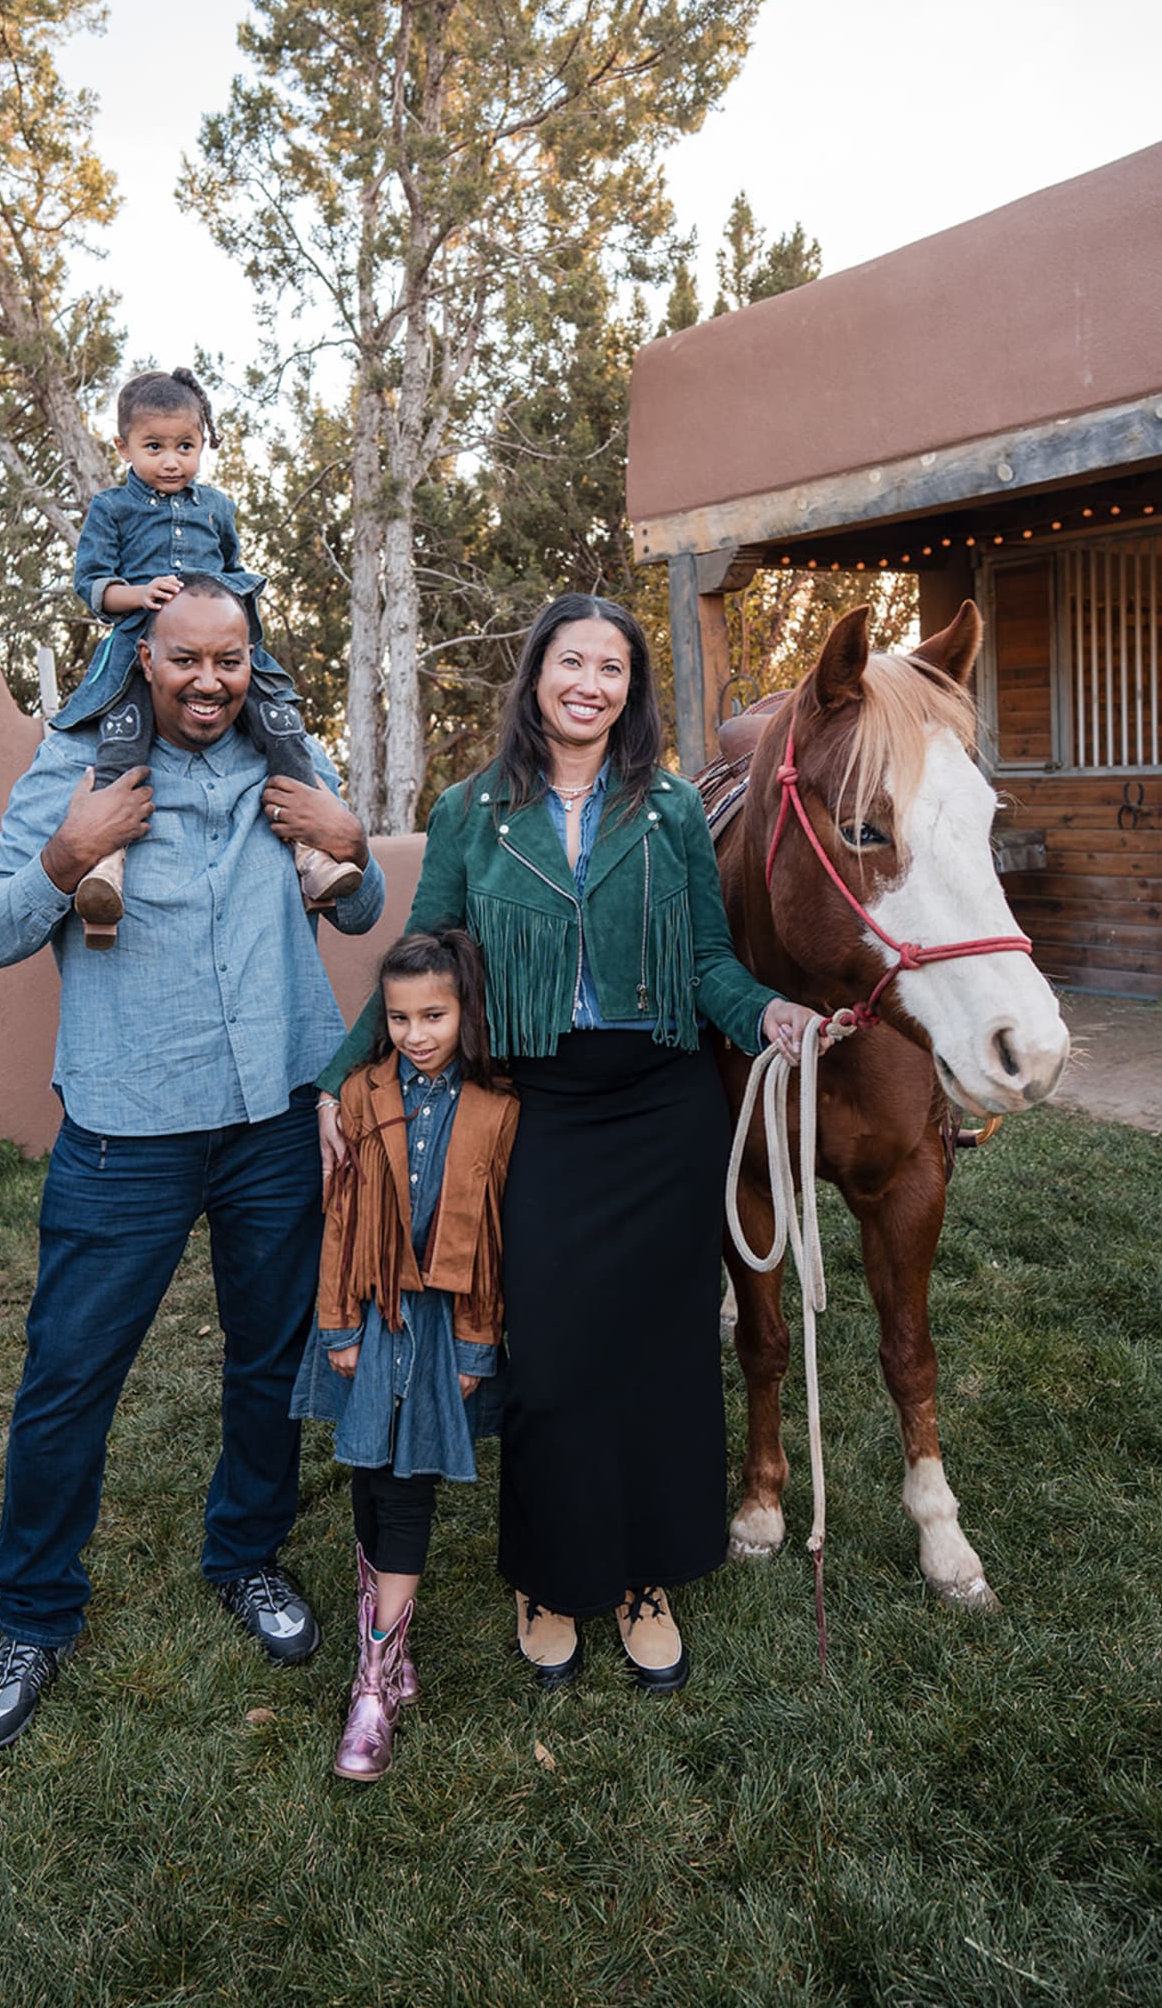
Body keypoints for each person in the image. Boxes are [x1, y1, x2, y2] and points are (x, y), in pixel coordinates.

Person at [317, 595, 825, 1696]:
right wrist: (345, 1073)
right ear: (537, 674)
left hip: (660, 1109)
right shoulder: (474, 810)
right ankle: (549, 1579)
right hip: (533, 1107)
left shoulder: (674, 808)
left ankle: (645, 1577)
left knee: (660, 1350)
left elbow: (704, 965)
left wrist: (768, 1013)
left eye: (614, 666)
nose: (591, 681)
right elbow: (425, 955)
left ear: (632, 688)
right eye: (571, 660)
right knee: (545, 1355)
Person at [0, 577, 384, 1751]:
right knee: (69, 1378)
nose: (210, 681)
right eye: (186, 659)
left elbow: (358, 903)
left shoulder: (288, 753)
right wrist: (68, 854)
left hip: (273, 1119)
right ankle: (36, 1617)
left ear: (253, 661)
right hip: (124, 1125)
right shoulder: (78, 763)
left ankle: (245, 1553)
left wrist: (351, 844)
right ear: (144, 657)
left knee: (270, 1359)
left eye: (231, 660)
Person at [290, 930, 519, 1783]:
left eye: (435, 1014)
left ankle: (374, 1681)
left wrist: (475, 1341)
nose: (417, 1032)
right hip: (371, 1311)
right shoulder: (360, 1093)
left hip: (441, 1320)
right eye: (399, 1016)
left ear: (465, 1010)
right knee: (365, 1473)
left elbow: (490, 1242)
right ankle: (391, 1635)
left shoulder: (496, 1108)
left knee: (408, 1482)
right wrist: (339, 1327)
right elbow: (341, 1220)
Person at [51, 366, 363, 947]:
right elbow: (92, 585)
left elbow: (232, 578)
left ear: (203, 444)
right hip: (139, 642)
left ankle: (313, 857)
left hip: (219, 642)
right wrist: (139, 594)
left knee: (280, 725)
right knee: (122, 736)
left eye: (185, 447)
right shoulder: (112, 509)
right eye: (154, 447)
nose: (171, 461)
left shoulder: (217, 507)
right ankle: (104, 868)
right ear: (123, 447)